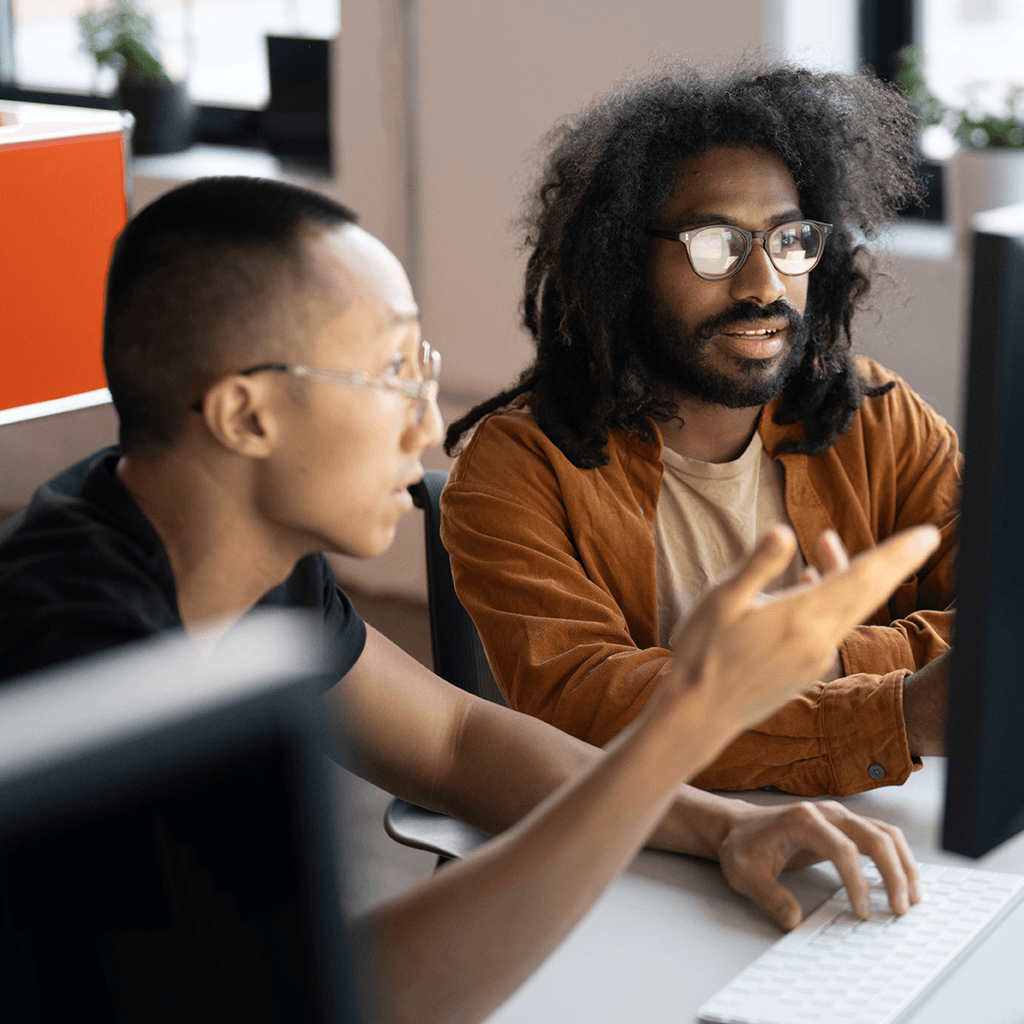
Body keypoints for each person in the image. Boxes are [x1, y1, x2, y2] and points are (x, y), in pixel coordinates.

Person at [0, 176, 938, 1024]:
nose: (426, 420)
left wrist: (727, 826)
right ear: (246, 415)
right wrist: (690, 720)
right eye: (391, 373)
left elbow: (455, 742)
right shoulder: (77, 668)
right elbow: (340, 1000)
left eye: (424, 366)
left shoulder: (229, 555)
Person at [441, 62, 959, 799]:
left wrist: (825, 661)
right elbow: (588, 709)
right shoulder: (520, 467)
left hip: (877, 821)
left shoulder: (877, 417)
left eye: (791, 240)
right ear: (623, 262)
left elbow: (999, 625)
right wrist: (897, 709)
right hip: (647, 841)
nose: (765, 286)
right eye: (715, 245)